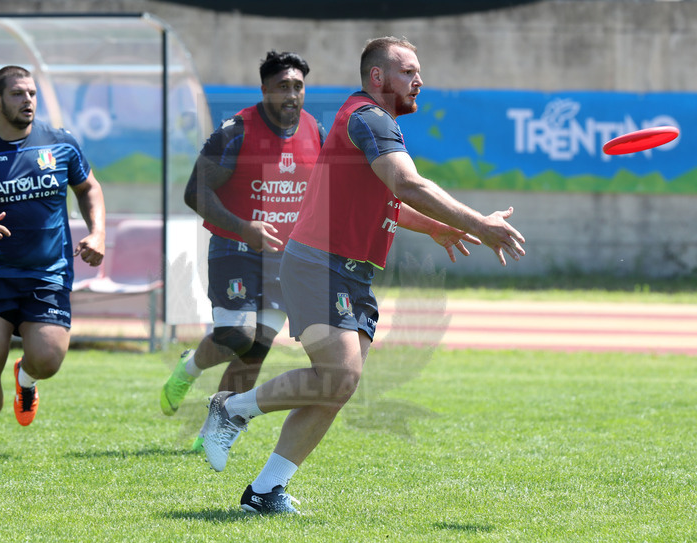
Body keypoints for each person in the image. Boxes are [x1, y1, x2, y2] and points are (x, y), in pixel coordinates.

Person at [197, 36, 526, 514]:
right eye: (409, 71)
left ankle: (266, 491)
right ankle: (231, 409)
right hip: (318, 263)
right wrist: (478, 223)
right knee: (340, 374)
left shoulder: (375, 122)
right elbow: (407, 183)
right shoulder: (367, 117)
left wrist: (436, 227)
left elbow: (388, 198)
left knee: (338, 386)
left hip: (352, 272)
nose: (420, 80)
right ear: (378, 78)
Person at [0, 65, 106, 460]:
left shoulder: (61, 143)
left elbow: (89, 188)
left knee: (48, 359)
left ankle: (26, 380)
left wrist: (97, 233)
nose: (27, 100)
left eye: (31, 94)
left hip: (49, 272)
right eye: (17, 94)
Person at [159, 51, 326, 452]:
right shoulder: (236, 131)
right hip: (235, 249)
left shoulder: (315, 131)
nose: (291, 94)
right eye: (282, 86)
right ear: (265, 89)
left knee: (255, 351)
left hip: (284, 260)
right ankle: (190, 367)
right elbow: (194, 191)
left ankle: (212, 433)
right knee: (237, 335)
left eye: (298, 86)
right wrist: (244, 228)